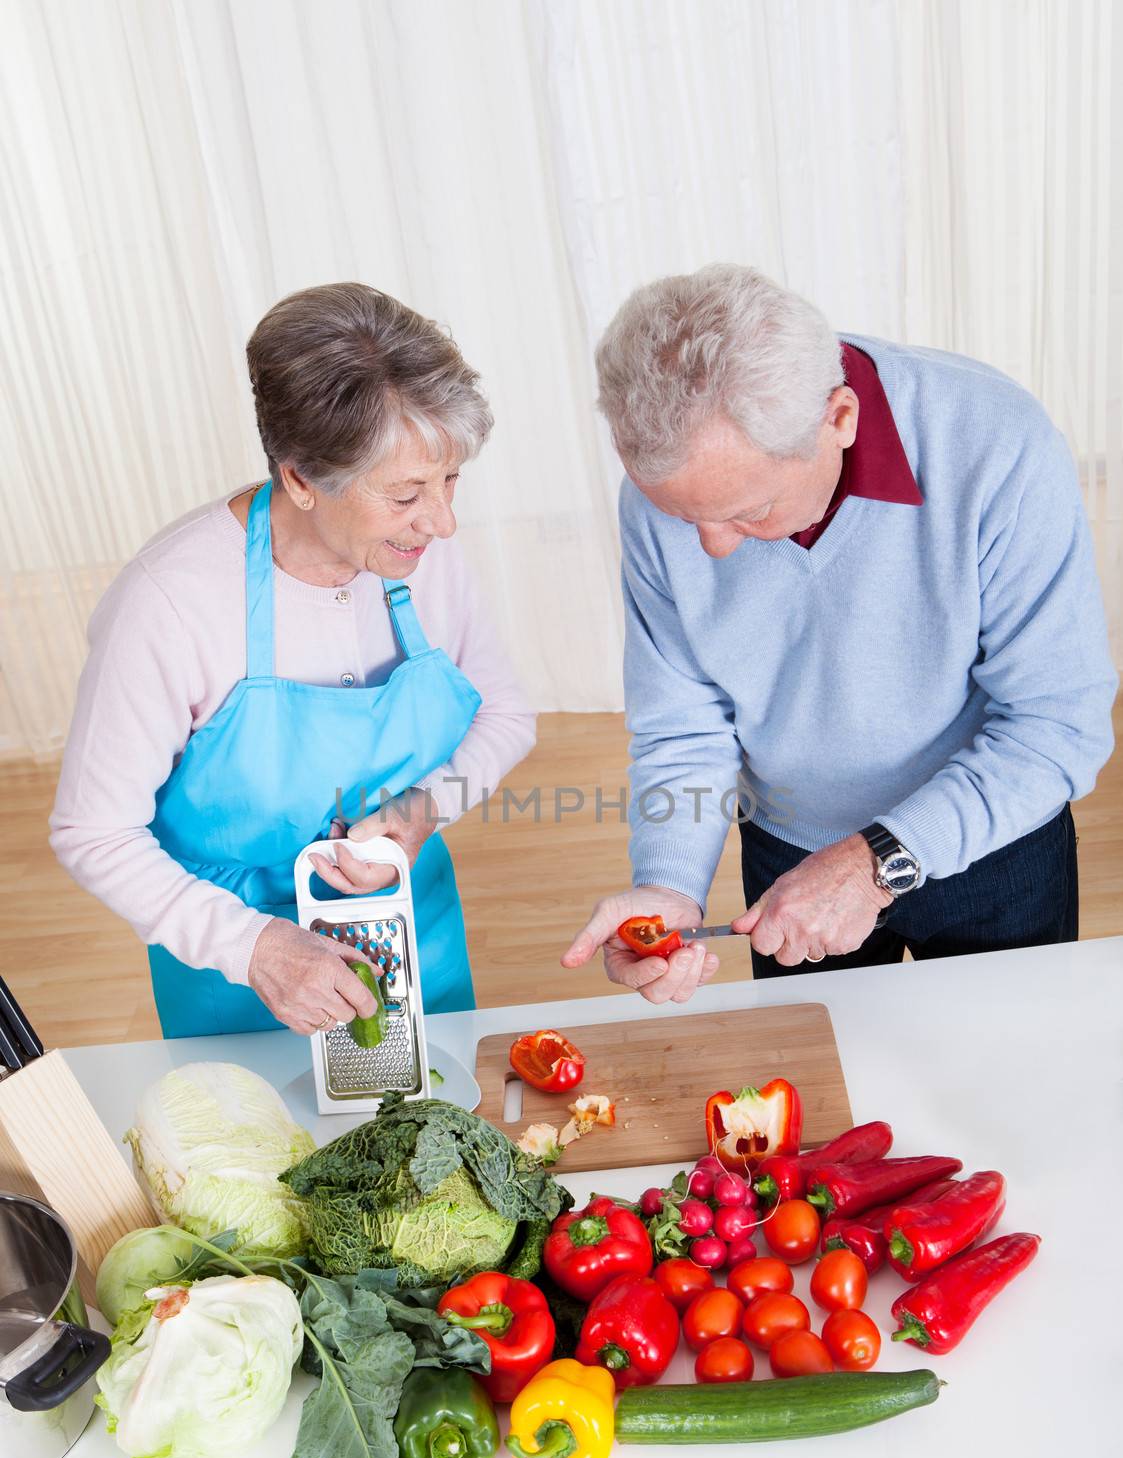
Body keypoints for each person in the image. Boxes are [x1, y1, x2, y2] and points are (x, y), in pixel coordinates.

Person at [564, 264, 1116, 1001]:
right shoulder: (674, 480)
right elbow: (683, 728)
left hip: (992, 842)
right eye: (679, 515)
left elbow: (1056, 725)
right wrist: (668, 884)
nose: (712, 550)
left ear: (840, 419)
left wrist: (873, 861)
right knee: (822, 1093)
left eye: (747, 511)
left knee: (1006, 1081)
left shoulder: (994, 442)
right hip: (787, 854)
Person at [51, 283, 534, 1036]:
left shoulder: (416, 551)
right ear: (302, 478)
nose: (442, 521)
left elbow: (504, 713)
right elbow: (93, 830)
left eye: (450, 481)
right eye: (408, 492)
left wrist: (421, 812)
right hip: (236, 979)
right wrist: (255, 949)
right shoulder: (169, 603)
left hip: (415, 939)